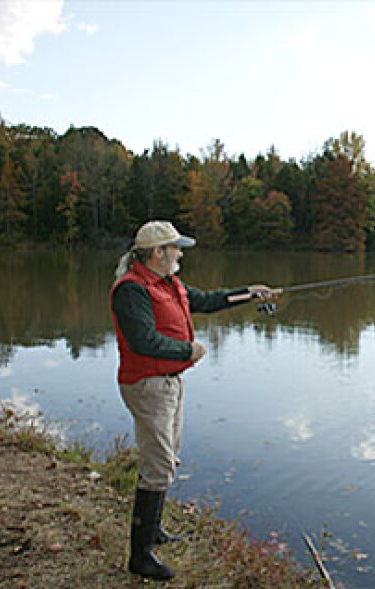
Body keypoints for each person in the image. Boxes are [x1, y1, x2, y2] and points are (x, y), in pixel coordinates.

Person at [110, 220, 276, 580]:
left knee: (167, 456)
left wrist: (250, 292)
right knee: (159, 464)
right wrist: (189, 349)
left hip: (169, 383)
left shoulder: (170, 283)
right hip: (148, 384)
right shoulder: (132, 290)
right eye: (176, 248)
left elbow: (206, 300)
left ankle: (153, 531)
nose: (181, 253)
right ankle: (140, 557)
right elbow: (143, 341)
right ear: (158, 253)